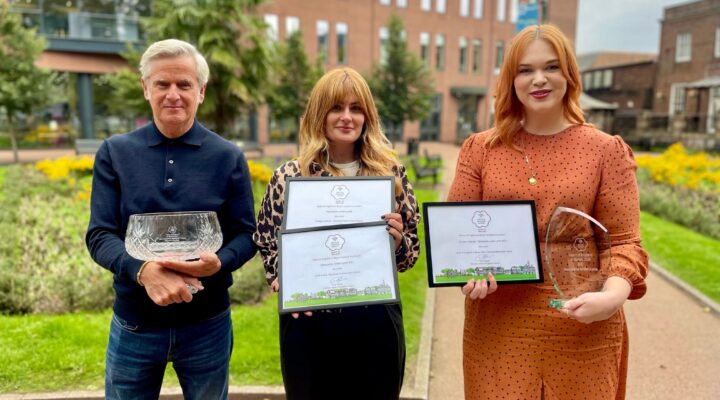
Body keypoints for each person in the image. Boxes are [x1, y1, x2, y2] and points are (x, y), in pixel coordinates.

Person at [448, 24, 649, 400]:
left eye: (551, 67)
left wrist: (613, 296)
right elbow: (457, 238)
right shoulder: (480, 150)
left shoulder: (605, 151)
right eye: (525, 70)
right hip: (499, 324)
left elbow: (625, 243)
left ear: (569, 74)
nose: (539, 79)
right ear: (511, 80)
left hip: (583, 324)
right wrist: (466, 276)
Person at [86, 39, 257, 399]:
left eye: (184, 84)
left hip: (207, 324)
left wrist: (220, 263)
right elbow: (100, 234)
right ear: (146, 88)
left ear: (201, 91)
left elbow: (246, 233)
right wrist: (143, 271)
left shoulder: (227, 157)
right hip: (135, 323)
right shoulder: (115, 152)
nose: (173, 94)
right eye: (162, 84)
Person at [253, 67, 420, 400]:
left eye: (356, 108)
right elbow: (267, 242)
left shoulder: (389, 174)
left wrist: (399, 241)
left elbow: (409, 255)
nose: (346, 117)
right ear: (320, 113)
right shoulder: (290, 176)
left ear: (367, 116)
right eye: (336, 108)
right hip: (309, 323)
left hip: (375, 320)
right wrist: (284, 281)